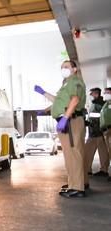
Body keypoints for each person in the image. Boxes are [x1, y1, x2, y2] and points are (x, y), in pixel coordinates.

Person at [34, 60, 86, 198]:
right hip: (68, 120)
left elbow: (74, 100)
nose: (63, 69)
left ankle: (77, 187)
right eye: (62, 67)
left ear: (75, 69)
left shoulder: (74, 81)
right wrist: (44, 94)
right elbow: (58, 101)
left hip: (71, 120)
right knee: (70, 155)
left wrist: (64, 118)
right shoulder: (66, 84)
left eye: (67, 67)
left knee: (74, 154)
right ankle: (74, 183)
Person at [83, 88, 109, 179]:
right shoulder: (94, 104)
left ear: (97, 94)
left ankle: (103, 170)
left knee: (103, 153)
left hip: (98, 132)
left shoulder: (100, 104)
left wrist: (90, 123)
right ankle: (87, 169)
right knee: (88, 152)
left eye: (92, 94)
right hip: (93, 132)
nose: (91, 95)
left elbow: (100, 118)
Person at [100, 87, 111, 182]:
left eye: (107, 92)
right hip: (107, 130)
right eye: (105, 92)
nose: (105, 94)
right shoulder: (106, 104)